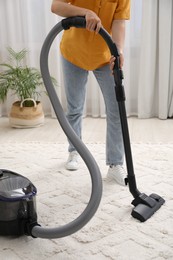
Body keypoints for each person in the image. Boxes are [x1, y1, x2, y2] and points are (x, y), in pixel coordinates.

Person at [51, 0, 130, 186]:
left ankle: (115, 164)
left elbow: (119, 21)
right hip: (73, 53)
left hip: (104, 56)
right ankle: (74, 151)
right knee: (74, 108)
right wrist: (85, 12)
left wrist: (118, 50)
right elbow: (56, 6)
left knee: (116, 109)